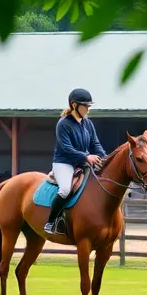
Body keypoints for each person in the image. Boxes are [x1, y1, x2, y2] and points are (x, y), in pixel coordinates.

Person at [45, 87, 106, 234]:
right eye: (85, 106)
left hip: (82, 162)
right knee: (65, 190)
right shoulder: (63, 124)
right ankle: (51, 222)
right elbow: (66, 148)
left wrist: (105, 158)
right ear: (74, 105)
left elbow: (95, 144)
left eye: (89, 106)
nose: (88, 109)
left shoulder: (88, 124)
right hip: (64, 162)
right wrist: (86, 156)